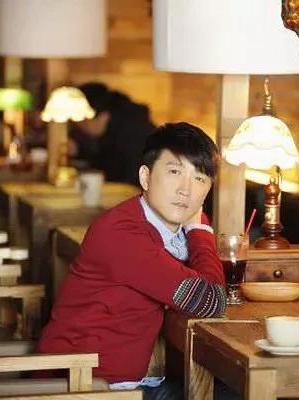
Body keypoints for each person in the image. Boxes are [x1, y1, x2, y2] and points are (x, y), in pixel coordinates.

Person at [37, 122, 226, 399]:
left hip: (133, 381)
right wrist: (200, 231)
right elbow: (210, 301)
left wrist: (196, 229)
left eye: (199, 178)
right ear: (145, 177)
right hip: (86, 388)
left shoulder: (166, 227)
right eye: (174, 172)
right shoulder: (121, 232)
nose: (185, 190)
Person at [69, 82, 155, 185]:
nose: (82, 129)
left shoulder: (132, 135)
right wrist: (80, 152)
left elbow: (122, 177)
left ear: (102, 116)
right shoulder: (119, 128)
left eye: (83, 123)